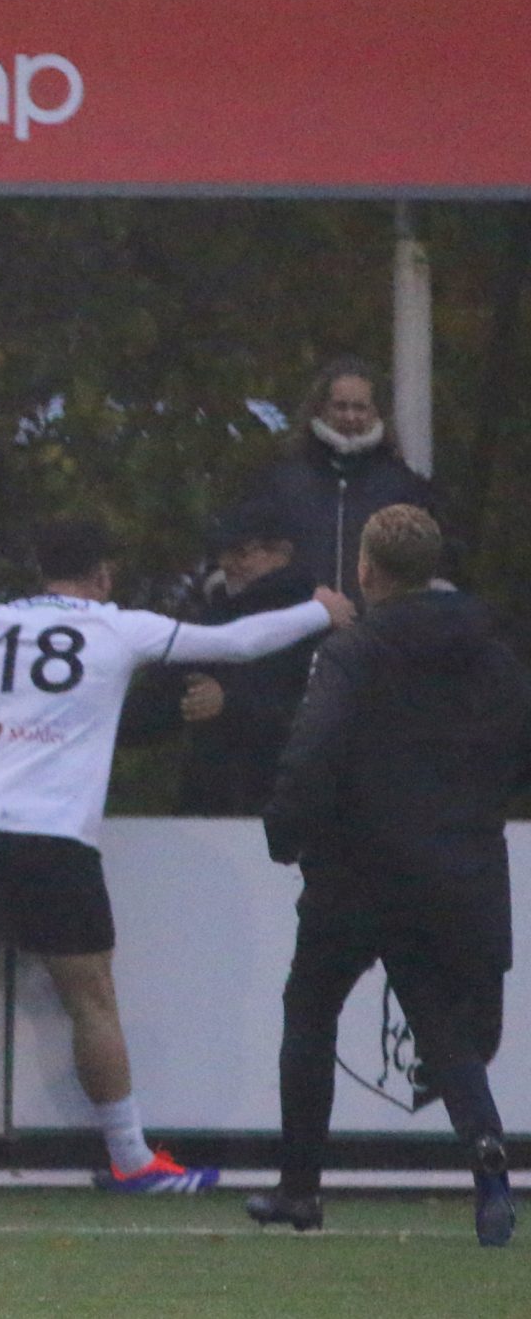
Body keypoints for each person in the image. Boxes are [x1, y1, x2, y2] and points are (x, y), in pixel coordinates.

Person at [0, 516, 353, 1198]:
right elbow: (236, 643)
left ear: (41, 569)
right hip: (58, 840)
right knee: (93, 1002)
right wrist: (319, 611)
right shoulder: (119, 627)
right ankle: (131, 1157)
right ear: (102, 574)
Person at [252, 505, 527, 1245]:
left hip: (356, 868)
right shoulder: (492, 653)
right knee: (439, 1020)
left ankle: (300, 1189)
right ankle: (485, 1147)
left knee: (311, 1009)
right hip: (453, 866)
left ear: (366, 569)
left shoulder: (354, 651)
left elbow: (315, 748)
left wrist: (286, 829)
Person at [131, 499, 320, 815]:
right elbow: (156, 704)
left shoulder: (317, 624)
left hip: (290, 806)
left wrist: (229, 703)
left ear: (283, 553)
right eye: (223, 552)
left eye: (242, 552)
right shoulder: (214, 617)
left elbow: (314, 718)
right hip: (210, 808)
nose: (227, 563)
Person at [244, 355, 437, 604]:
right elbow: (251, 554)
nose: (350, 417)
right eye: (340, 406)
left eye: (360, 408)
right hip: (298, 620)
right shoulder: (282, 482)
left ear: (375, 412)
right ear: (321, 409)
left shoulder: (402, 487)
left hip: (380, 623)